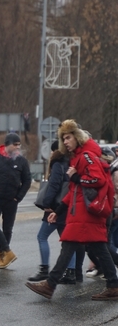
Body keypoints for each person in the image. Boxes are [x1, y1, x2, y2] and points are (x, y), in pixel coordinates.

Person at [26, 120, 118, 300]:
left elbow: (97, 180)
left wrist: (76, 177)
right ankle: (113, 285)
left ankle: (50, 284)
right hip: (84, 212)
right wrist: (59, 209)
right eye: (63, 139)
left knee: (71, 245)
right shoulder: (81, 156)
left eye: (68, 137)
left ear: (77, 137)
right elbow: (74, 192)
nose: (66, 142)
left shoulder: (85, 156)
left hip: (86, 213)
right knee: (99, 248)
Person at [30, 139, 80, 283]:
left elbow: (54, 185)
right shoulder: (71, 163)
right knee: (67, 240)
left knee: (42, 236)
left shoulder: (58, 164)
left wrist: (47, 203)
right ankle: (71, 273)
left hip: (55, 207)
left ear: (55, 151)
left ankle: (44, 269)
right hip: (68, 206)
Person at [0, 132, 31, 269]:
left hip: (12, 200)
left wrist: (19, 197)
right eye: (15, 144)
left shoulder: (21, 161)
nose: (18, 147)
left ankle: (2, 254)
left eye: (19, 144)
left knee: (7, 229)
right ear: (7, 145)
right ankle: (7, 250)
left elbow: (27, 180)